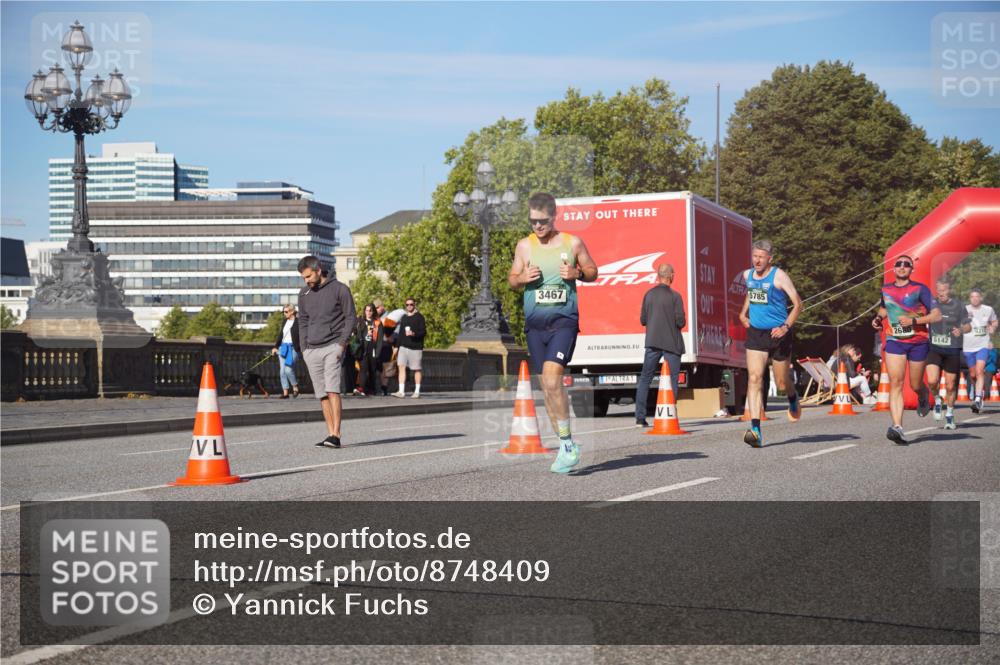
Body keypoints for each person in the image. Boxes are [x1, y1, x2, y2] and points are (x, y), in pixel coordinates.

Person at [508, 192, 598, 473]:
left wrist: (577, 274)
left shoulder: (573, 243)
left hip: (563, 322)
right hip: (535, 326)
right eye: (533, 221)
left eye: (543, 221)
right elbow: (512, 279)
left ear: (554, 217)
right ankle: (565, 444)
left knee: (551, 378)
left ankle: (568, 445)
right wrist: (522, 278)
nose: (537, 226)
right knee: (547, 388)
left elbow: (593, 270)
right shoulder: (524, 246)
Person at [738, 239, 803, 448]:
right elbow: (752, 293)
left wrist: (785, 326)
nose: (757, 260)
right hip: (756, 333)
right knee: (754, 378)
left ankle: (792, 397)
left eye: (761, 257)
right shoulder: (747, 275)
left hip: (779, 334)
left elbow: (798, 304)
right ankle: (755, 430)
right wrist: (742, 313)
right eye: (754, 256)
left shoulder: (779, 276)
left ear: (770, 259)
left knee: (782, 382)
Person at [871, 255, 941, 445]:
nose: (902, 267)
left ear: (912, 269)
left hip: (918, 341)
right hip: (894, 340)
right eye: (899, 264)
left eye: (906, 264)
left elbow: (936, 315)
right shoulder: (886, 289)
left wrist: (914, 321)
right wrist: (878, 318)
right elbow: (885, 308)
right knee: (896, 382)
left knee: (915, 384)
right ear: (893, 268)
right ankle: (897, 427)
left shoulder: (920, 289)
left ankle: (923, 395)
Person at [297, 255, 357, 449]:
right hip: (311, 349)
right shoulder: (304, 294)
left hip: (333, 346)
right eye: (303, 278)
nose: (306, 281)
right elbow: (303, 321)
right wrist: (304, 349)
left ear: (318, 270)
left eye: (308, 276)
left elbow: (351, 317)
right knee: (322, 394)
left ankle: (336, 435)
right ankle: (330, 433)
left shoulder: (340, 289)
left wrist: (342, 344)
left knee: (332, 390)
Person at [634, 264, 686, 427]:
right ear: (671, 276)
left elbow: (643, 320)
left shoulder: (648, 295)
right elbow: (681, 322)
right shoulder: (675, 296)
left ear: (658, 276)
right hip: (672, 344)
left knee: (645, 378)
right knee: (672, 380)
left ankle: (640, 418)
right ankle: (670, 415)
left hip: (652, 342)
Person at [925, 278, 971, 430]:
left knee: (951, 386)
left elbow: (968, 326)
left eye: (944, 290)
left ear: (950, 290)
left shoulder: (959, 305)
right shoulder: (931, 304)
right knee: (932, 381)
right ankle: (938, 400)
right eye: (939, 290)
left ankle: (950, 414)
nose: (941, 293)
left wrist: (961, 330)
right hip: (934, 348)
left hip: (952, 349)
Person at [963, 288, 998, 413]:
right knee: (973, 374)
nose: (975, 299)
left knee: (979, 371)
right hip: (968, 346)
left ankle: (977, 398)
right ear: (969, 298)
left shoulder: (988, 309)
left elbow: (994, 321)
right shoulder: (964, 309)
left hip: (983, 345)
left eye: (977, 296)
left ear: (981, 298)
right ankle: (979, 393)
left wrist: (993, 327)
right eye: (972, 297)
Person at [391, 297, 427, 398]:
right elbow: (401, 333)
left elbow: (423, 332)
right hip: (403, 347)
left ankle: (417, 391)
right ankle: (401, 391)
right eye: (407, 304)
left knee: (417, 369)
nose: (409, 306)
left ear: (415, 305)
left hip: (415, 347)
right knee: (401, 367)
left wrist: (413, 334)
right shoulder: (404, 317)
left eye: (411, 304)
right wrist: (397, 346)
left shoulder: (420, 317)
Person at [271, 304, 301, 398]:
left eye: (286, 311)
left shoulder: (299, 322)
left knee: (288, 369)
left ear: (292, 311)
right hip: (283, 347)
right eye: (283, 312)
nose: (284, 313)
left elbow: (303, 336)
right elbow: (281, 334)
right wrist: (276, 346)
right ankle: (285, 392)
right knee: (282, 371)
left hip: (293, 348)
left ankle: (295, 386)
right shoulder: (285, 321)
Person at [355, 303, 384, 397]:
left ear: (373, 311)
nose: (368, 312)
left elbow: (380, 339)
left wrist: (378, 352)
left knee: (372, 370)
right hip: (363, 349)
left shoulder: (377, 323)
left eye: (370, 310)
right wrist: (364, 337)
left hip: (373, 349)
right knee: (363, 369)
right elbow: (356, 335)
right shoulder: (360, 321)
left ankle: (372, 389)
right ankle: (362, 388)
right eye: (367, 310)